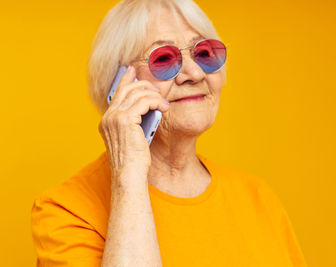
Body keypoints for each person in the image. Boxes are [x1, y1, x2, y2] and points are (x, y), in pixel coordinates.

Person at [31, 0, 307, 266]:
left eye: (203, 53)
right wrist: (128, 175)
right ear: (119, 85)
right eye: (164, 58)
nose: (195, 73)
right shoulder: (67, 209)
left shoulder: (259, 198)